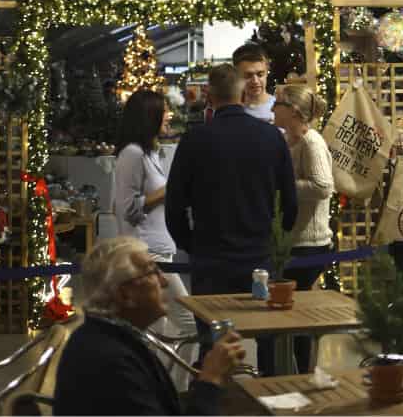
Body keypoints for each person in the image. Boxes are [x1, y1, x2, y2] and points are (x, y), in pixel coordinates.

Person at [165, 63, 297, 376]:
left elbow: (174, 206)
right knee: (270, 346)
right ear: (242, 91)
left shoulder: (195, 140)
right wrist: (277, 242)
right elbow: (289, 203)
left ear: (208, 94)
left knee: (213, 350)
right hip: (260, 259)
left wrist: (192, 245)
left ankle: (214, 404)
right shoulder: (271, 137)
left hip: (211, 260)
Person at [53, 237, 245, 415]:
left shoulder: (109, 338)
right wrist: (211, 379)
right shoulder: (110, 363)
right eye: (152, 271)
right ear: (125, 295)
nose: (165, 280)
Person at [114, 90, 197, 351]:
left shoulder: (148, 154)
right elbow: (127, 208)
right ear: (149, 116)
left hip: (160, 252)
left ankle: (163, 385)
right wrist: (170, 189)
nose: (169, 115)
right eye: (164, 110)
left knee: (157, 332)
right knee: (192, 324)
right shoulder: (133, 154)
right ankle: (182, 387)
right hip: (147, 255)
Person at [273, 84, 335, 373]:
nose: (273, 109)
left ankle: (306, 378)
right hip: (294, 240)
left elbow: (323, 187)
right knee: (293, 317)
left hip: (309, 242)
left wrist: (284, 187)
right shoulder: (290, 140)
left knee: (299, 319)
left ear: (293, 111)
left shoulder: (311, 143)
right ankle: (299, 376)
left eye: (278, 104)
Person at [233, 43, 275, 122]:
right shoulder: (232, 113)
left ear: (267, 73)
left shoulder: (279, 109)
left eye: (260, 74)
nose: (255, 81)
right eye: (248, 75)